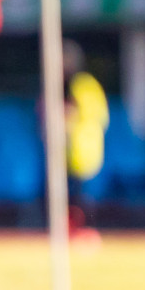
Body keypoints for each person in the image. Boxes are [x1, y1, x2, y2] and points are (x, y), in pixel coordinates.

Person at [62, 41, 108, 244]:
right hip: (85, 147)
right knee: (81, 195)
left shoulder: (78, 85)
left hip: (80, 147)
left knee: (80, 196)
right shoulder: (88, 84)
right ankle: (80, 232)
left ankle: (82, 233)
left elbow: (74, 113)